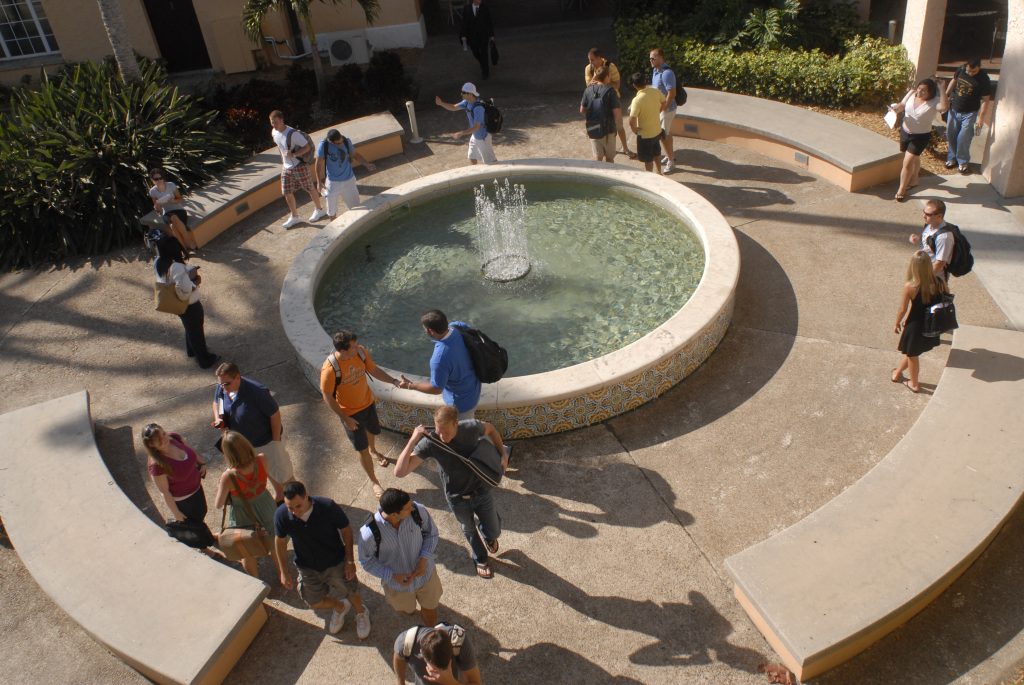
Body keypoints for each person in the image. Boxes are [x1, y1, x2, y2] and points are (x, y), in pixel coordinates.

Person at [395, 405, 509, 579]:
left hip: (481, 490)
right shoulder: (431, 441)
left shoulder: (470, 428)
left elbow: (491, 429)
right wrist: (413, 440)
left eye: (446, 432)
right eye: (439, 431)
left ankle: (489, 536)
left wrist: (503, 454)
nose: (442, 437)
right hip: (456, 498)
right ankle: (480, 557)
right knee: (468, 529)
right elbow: (400, 472)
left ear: (456, 424)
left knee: (494, 530)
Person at [274, 481, 371, 638]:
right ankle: (340, 607)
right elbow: (279, 541)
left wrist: (350, 561)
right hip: (307, 567)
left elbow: (346, 530)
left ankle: (361, 612)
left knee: (350, 590)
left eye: (298, 506)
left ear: (306, 496)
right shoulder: (281, 515)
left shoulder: (327, 507)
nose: (294, 512)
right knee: (313, 601)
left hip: (335, 562)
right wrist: (283, 572)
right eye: (290, 507)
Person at [320, 330, 403, 499]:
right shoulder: (330, 369)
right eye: (353, 346)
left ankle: (374, 450)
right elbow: (327, 396)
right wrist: (345, 418)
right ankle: (374, 481)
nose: (358, 347)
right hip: (350, 414)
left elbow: (373, 369)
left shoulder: (361, 352)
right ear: (343, 351)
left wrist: (393, 381)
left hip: (368, 403)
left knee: (372, 432)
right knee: (361, 448)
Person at [357, 488, 442, 626]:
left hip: (426, 577)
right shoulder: (369, 534)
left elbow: (431, 534)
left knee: (430, 609)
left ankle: (430, 631)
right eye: (407, 508)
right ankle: (410, 610)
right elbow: (366, 561)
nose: (412, 508)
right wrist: (392, 575)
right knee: (405, 610)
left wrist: (424, 559)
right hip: (397, 587)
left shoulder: (417, 511)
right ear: (394, 514)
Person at [212, 362, 294, 502]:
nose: (223, 388)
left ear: (238, 377)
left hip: (266, 442)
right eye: (221, 385)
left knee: (283, 473)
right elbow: (217, 403)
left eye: (227, 384)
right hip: (245, 444)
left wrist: (276, 443)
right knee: (265, 469)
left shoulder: (257, 392)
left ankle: (297, 500)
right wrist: (218, 418)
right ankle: (279, 495)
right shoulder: (223, 387)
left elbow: (274, 415)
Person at [213, 431, 282, 578]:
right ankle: (283, 573)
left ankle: (257, 582)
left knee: (245, 550)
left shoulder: (228, 476)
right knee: (273, 541)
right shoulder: (262, 459)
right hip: (266, 506)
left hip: (242, 515)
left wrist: (222, 483)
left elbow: (219, 504)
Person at [398, 309, 481, 419]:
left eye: (424, 328)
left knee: (463, 433)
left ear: (430, 331)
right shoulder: (458, 326)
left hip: (461, 405)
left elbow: (436, 388)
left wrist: (410, 386)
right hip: (475, 389)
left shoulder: (439, 358)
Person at [153, 233, 219, 369]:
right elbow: (184, 288)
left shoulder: (158, 262)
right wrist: (195, 281)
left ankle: (191, 351)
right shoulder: (177, 266)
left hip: (176, 304)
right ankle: (204, 359)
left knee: (189, 327)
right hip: (190, 305)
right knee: (196, 331)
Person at [142, 423, 214, 539]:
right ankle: (204, 548)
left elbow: (190, 451)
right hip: (184, 501)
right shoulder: (157, 465)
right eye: (159, 439)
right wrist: (176, 513)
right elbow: (165, 492)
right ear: (151, 445)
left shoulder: (174, 438)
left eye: (164, 433)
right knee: (193, 526)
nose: (165, 438)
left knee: (201, 515)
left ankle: (208, 536)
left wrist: (202, 463)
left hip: (196, 488)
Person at [892, 251, 945, 393]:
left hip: (915, 325)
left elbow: (903, 309)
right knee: (911, 351)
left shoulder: (911, 286)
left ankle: (914, 384)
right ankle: (897, 373)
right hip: (930, 325)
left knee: (912, 355)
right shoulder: (939, 282)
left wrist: (897, 322)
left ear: (913, 266)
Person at [891, 78, 948, 201]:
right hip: (905, 132)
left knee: (907, 162)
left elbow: (944, 107)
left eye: (924, 91)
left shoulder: (934, 102)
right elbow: (902, 105)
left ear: (931, 92)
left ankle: (901, 189)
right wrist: (895, 110)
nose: (919, 92)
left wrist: (942, 89)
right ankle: (915, 178)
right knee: (915, 157)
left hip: (920, 137)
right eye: (919, 89)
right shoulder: (912, 93)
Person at [269, 109, 326, 229]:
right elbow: (280, 148)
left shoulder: (293, 134)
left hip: (299, 166)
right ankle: (295, 216)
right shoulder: (274, 132)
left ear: (282, 120)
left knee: (309, 188)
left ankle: (319, 210)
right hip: (286, 167)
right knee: (287, 192)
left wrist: (294, 155)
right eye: (272, 122)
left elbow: (307, 147)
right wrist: (283, 162)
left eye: (276, 122)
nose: (274, 125)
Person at [944, 58, 994, 174]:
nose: (970, 73)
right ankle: (951, 159)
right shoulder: (961, 70)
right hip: (954, 109)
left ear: (979, 68)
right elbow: (954, 80)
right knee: (951, 134)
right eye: (968, 71)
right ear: (965, 66)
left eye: (974, 72)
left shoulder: (984, 79)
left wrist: (981, 118)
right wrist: (946, 95)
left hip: (970, 112)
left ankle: (962, 161)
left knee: (963, 137)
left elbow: (986, 100)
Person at [314, 128, 376, 219]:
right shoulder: (324, 145)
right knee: (331, 211)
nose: (341, 144)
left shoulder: (346, 141)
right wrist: (319, 182)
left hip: (349, 181)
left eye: (341, 141)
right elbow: (318, 164)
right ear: (331, 142)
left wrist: (366, 164)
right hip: (332, 183)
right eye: (338, 143)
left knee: (357, 208)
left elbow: (355, 155)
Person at [584, 48, 634, 159]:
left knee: (618, 125)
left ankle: (625, 148)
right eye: (589, 60)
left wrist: (603, 83)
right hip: (597, 102)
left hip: (612, 100)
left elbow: (617, 85)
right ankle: (604, 148)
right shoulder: (588, 68)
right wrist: (595, 80)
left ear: (599, 58)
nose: (590, 63)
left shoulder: (611, 67)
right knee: (599, 124)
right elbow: (588, 86)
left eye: (592, 60)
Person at [393, 623, 482, 685]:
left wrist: (451, 683)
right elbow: (398, 657)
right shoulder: (406, 642)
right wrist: (400, 682)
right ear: (422, 655)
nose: (442, 673)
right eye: (435, 669)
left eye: (447, 666)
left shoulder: (459, 642)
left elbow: (476, 682)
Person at [435, 84, 497, 165]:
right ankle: (475, 174)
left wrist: (461, 133)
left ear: (470, 94)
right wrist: (441, 103)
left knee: (492, 164)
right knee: (472, 156)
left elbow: (476, 127)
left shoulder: (478, 108)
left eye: (463, 92)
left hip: (483, 138)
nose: (461, 94)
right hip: (475, 136)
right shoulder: (466, 102)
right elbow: (453, 107)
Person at [148, 167, 199, 254]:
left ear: (163, 178)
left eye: (160, 178)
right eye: (156, 179)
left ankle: (184, 248)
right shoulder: (152, 191)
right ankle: (189, 244)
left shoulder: (171, 185)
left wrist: (172, 201)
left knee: (173, 226)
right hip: (166, 213)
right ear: (153, 180)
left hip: (178, 209)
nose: (159, 180)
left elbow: (180, 199)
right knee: (173, 218)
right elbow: (157, 207)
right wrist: (157, 207)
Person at [580, 66, 621, 163]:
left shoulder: (588, 90)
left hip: (593, 128)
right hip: (609, 129)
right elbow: (617, 113)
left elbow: (582, 110)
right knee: (610, 158)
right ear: (607, 76)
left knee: (598, 158)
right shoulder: (611, 91)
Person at [629, 71, 666, 175]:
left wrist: (635, 130)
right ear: (645, 82)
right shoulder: (655, 91)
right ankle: (659, 172)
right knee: (657, 152)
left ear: (634, 85)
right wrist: (658, 111)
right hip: (657, 130)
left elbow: (631, 120)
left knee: (647, 158)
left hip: (645, 135)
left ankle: (650, 176)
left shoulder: (637, 100)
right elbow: (664, 102)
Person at [909, 199, 954, 281]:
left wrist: (923, 280)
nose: (923, 216)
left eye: (928, 214)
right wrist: (918, 238)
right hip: (924, 270)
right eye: (924, 212)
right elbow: (928, 237)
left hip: (935, 279)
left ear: (939, 216)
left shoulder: (944, 237)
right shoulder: (930, 224)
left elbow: (939, 264)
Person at [649, 47, 678, 174]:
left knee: (663, 135)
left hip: (667, 109)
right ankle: (669, 155)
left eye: (653, 58)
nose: (651, 60)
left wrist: (663, 108)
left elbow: (671, 94)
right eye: (650, 58)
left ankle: (671, 161)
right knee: (667, 133)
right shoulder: (656, 71)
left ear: (661, 58)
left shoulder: (667, 73)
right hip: (661, 109)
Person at [460, 0, 495, 81]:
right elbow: (464, 22)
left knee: (484, 53)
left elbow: (489, 22)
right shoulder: (467, 8)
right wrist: (463, 35)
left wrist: (491, 35)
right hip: (472, 36)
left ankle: (485, 72)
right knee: (475, 52)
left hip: (483, 35)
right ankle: (483, 64)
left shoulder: (485, 7)